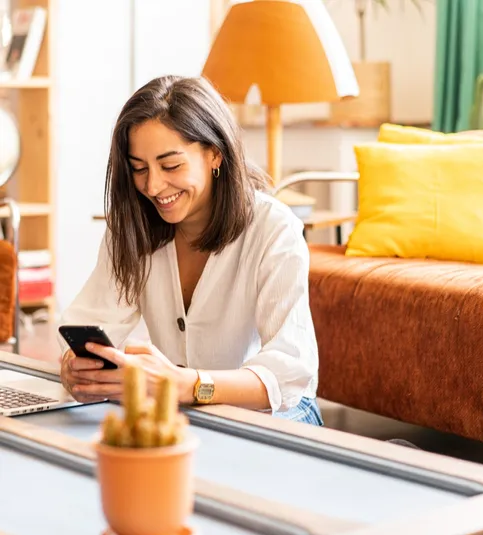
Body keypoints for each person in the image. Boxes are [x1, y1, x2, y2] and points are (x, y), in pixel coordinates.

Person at [58, 75, 323, 426]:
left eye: (170, 166)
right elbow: (85, 322)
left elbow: (288, 376)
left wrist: (187, 385)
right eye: (139, 169)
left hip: (277, 414)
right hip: (185, 414)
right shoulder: (133, 230)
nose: (153, 186)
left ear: (215, 153)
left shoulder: (274, 229)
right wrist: (75, 370)